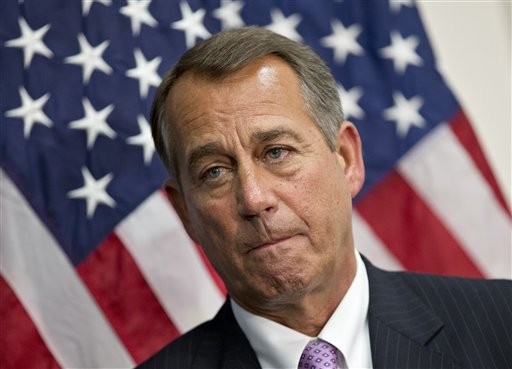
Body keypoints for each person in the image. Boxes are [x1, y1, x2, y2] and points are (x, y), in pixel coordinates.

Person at [137, 27, 511, 369]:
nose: (253, 198)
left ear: (347, 160)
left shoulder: (501, 326)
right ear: (185, 211)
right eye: (215, 172)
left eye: (276, 152)